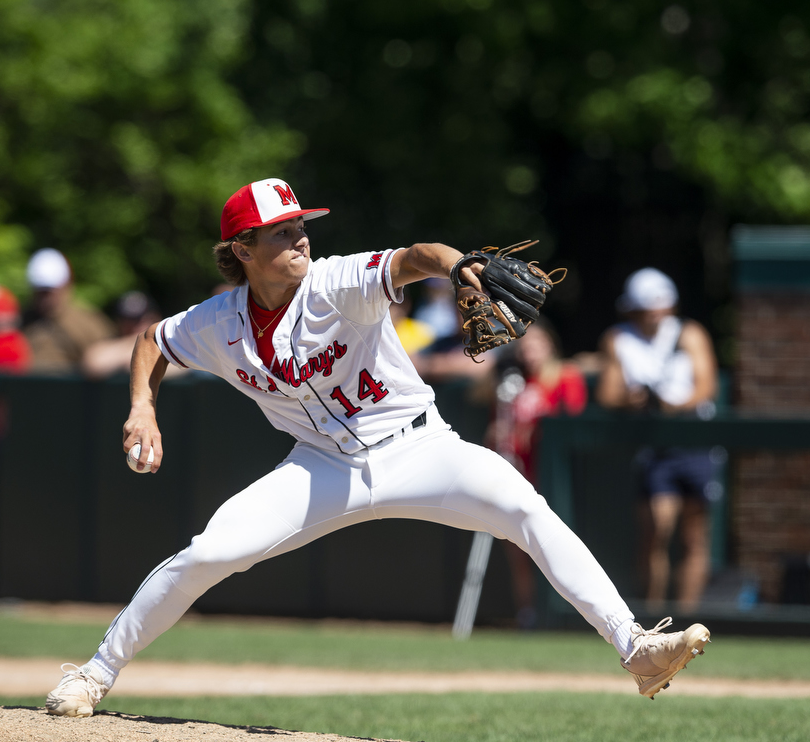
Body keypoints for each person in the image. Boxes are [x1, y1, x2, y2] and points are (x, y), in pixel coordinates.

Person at [44, 178, 710, 717]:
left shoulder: (337, 281)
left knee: (524, 508)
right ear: (242, 249)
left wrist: (461, 266)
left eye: (301, 225)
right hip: (321, 468)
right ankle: (95, 674)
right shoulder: (218, 323)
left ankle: (636, 648)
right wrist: (142, 405)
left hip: (420, 449)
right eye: (281, 231)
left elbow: (414, 256)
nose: (300, 237)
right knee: (212, 552)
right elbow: (152, 342)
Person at [597, 268, 718, 612]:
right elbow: (608, 395)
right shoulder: (618, 339)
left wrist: (674, 405)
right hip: (654, 445)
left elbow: (707, 387)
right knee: (655, 532)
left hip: (694, 440)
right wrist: (633, 400)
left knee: (694, 536)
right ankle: (652, 618)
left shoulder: (689, 334)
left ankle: (687, 619)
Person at [485, 318, 587, 627]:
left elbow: (573, 423)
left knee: (555, 545)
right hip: (518, 474)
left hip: (553, 479)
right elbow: (495, 423)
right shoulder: (512, 383)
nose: (531, 352)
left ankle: (564, 613)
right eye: (525, 346)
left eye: (537, 344)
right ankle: (528, 612)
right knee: (518, 546)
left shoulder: (565, 377)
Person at [22, 249, 114, 373]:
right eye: (40, 291)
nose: (44, 297)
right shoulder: (21, 321)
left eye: (49, 290)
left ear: (66, 285)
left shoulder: (89, 323)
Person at [82, 292, 169, 379]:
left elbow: (175, 367)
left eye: (139, 319)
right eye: (127, 319)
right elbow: (94, 364)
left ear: (155, 318)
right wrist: (136, 343)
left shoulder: (171, 341)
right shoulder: (112, 343)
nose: (132, 325)